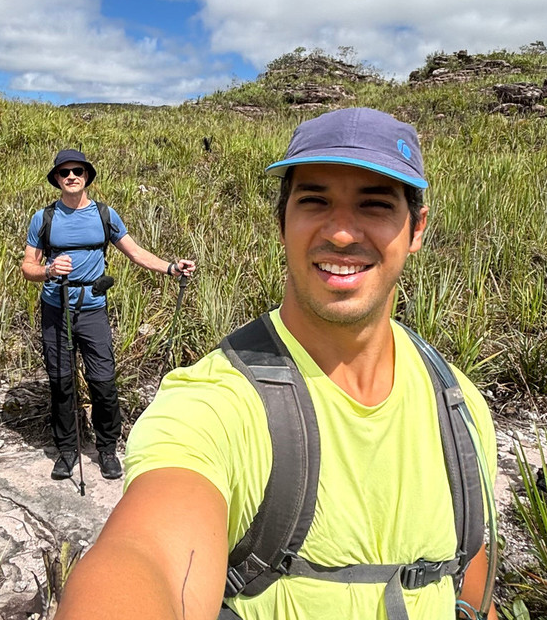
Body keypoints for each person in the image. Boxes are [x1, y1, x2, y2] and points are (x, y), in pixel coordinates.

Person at [55, 108, 498, 620]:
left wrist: (167, 266)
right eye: (315, 202)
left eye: (374, 205)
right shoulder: (216, 403)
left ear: (416, 229)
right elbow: (145, 555)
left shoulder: (458, 406)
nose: (340, 234)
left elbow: (464, 565)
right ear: (281, 222)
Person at [20, 148, 196, 481]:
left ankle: (106, 448)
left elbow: (136, 252)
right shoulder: (43, 218)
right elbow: (27, 267)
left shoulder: (104, 214)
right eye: (64, 172)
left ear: (86, 176)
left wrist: (171, 267)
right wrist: (48, 270)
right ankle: (68, 450)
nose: (71, 176)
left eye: (78, 171)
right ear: (57, 179)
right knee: (61, 382)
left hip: (92, 310)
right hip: (56, 308)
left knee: (103, 382)